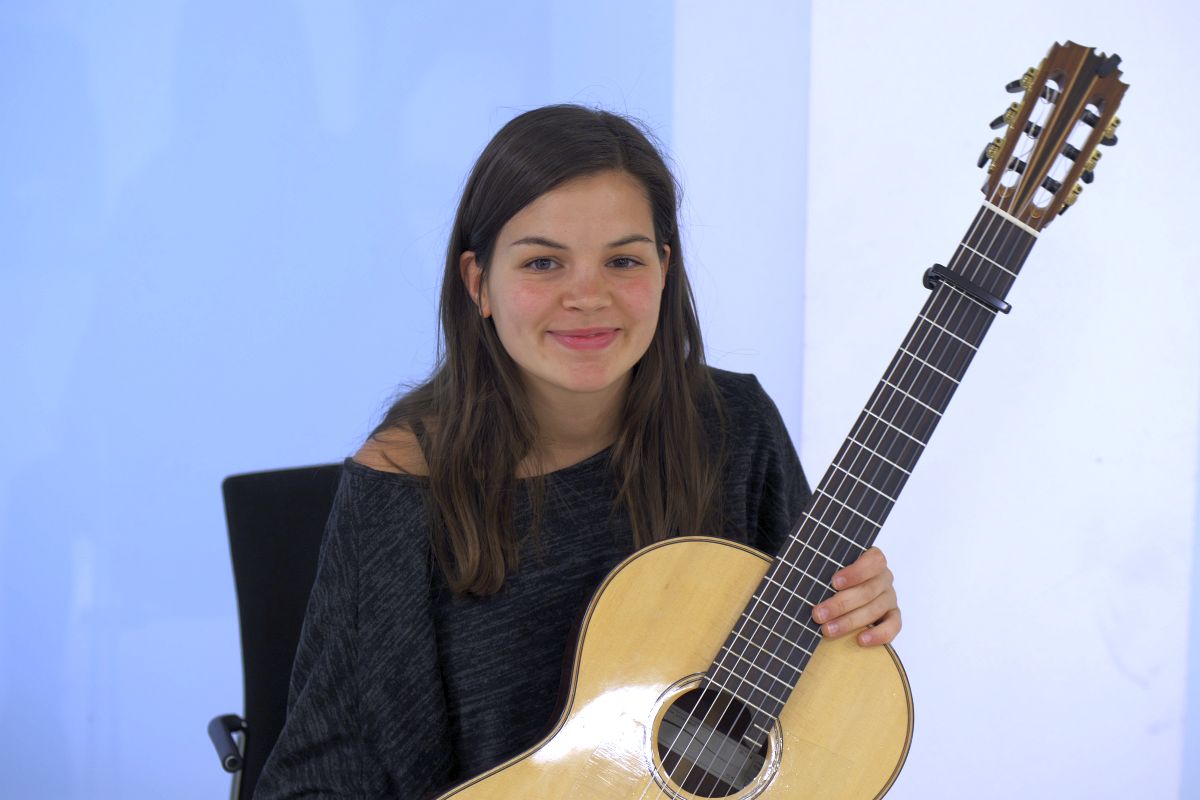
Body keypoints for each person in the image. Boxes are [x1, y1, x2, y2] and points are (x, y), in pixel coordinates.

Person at [254, 104, 901, 799]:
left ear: (664, 270)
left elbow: (800, 709)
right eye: (543, 262)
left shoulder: (736, 425)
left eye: (622, 260)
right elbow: (322, 783)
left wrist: (854, 620)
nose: (588, 296)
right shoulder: (405, 487)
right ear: (479, 284)